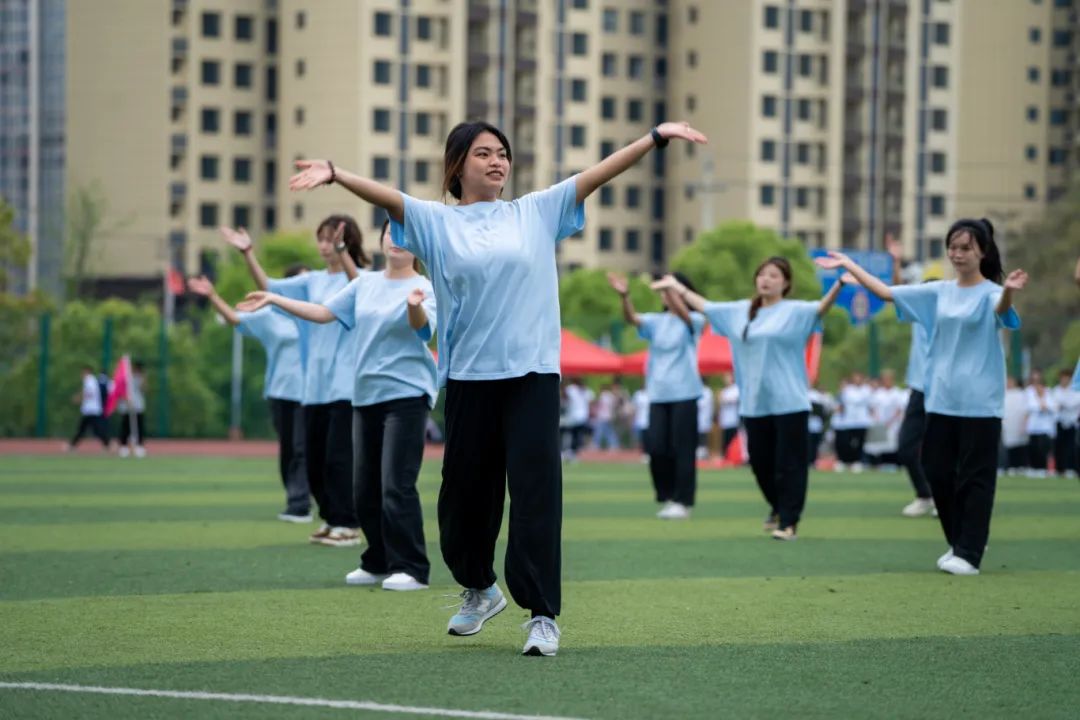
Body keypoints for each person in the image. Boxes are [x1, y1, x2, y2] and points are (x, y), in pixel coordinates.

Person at [289, 118, 709, 656]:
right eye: (484, 153)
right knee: (462, 501)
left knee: (536, 496)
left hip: (532, 374)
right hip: (467, 379)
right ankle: (480, 589)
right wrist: (336, 175)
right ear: (458, 165)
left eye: (503, 154)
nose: (497, 162)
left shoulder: (535, 211)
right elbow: (391, 199)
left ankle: (542, 615)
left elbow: (597, 174)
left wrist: (654, 138)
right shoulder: (436, 222)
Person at [816, 217, 1026, 575]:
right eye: (953, 247)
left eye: (966, 248)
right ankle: (959, 542)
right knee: (936, 469)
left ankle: (970, 553)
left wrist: (1007, 290)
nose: (958, 254)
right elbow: (886, 293)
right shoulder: (938, 292)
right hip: (941, 399)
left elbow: (1001, 311)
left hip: (980, 402)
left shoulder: (991, 293)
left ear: (983, 252)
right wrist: (850, 264)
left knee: (976, 477)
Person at [239, 220, 437, 592]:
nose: (397, 241)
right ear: (380, 240)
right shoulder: (365, 284)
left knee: (397, 483)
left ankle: (411, 566)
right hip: (365, 395)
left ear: (420, 247)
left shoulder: (425, 287)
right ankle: (377, 560)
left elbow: (424, 330)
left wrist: (414, 308)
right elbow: (323, 313)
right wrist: (274, 298)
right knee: (364, 487)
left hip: (408, 395)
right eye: (391, 233)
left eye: (407, 236)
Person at [652, 257, 844, 540]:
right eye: (762, 275)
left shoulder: (794, 311)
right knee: (760, 464)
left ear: (786, 283)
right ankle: (777, 507)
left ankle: (789, 522)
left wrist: (839, 283)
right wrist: (676, 288)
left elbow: (821, 308)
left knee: (789, 465)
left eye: (774, 276)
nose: (766, 280)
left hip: (790, 401)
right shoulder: (740, 312)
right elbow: (705, 306)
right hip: (754, 403)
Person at [223, 220, 367, 546]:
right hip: (312, 385)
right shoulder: (311, 281)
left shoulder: (363, 279)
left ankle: (348, 523)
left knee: (338, 458)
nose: (324, 246)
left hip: (346, 384)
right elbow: (270, 287)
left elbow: (360, 288)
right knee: (314, 461)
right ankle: (332, 518)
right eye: (322, 240)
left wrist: (346, 256)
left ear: (348, 242)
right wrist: (248, 254)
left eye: (332, 240)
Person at [187, 271, 311, 522]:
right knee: (289, 449)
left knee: (303, 448)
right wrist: (212, 295)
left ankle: (300, 504)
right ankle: (295, 494)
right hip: (279, 391)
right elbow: (234, 319)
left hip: (313, 393)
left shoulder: (317, 315)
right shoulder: (270, 317)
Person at [609, 270, 704, 521]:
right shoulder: (656, 322)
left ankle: (683, 501)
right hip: (658, 394)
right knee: (657, 447)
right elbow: (633, 319)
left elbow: (683, 314)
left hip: (685, 393)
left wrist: (673, 290)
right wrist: (625, 297)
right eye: (662, 291)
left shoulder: (694, 319)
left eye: (668, 289)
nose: (664, 295)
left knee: (683, 449)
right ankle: (668, 496)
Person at [65, 365, 110, 452]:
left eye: (83, 372)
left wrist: (79, 398)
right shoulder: (92, 380)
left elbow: (89, 393)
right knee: (92, 429)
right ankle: (106, 444)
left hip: (91, 410)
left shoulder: (89, 380)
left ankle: (73, 445)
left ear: (87, 371)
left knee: (85, 429)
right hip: (92, 410)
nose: (81, 374)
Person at [1024, 370, 1057, 478]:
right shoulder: (1029, 392)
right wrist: (1040, 406)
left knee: (1044, 448)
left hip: (1045, 427)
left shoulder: (1048, 392)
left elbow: (1053, 407)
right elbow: (1029, 406)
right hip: (1033, 426)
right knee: (1033, 448)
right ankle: (1034, 468)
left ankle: (1043, 468)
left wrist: (1044, 403)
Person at [1050, 369, 1079, 478]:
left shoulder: (1075, 389)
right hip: (1060, 422)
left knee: (1072, 447)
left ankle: (1072, 468)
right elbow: (1054, 404)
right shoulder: (1056, 390)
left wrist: (1064, 404)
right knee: (1059, 447)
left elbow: (1074, 403)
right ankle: (1060, 470)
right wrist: (1064, 404)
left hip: (1072, 422)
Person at [116, 361, 148, 459]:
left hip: (138, 406)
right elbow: (120, 391)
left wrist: (144, 378)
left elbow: (144, 389)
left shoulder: (141, 378)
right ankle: (124, 447)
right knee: (125, 428)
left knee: (139, 427)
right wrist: (126, 400)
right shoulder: (125, 378)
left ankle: (139, 446)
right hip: (126, 407)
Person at [1001, 377, 1029, 475]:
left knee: (1020, 445)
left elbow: (1025, 409)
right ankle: (1009, 466)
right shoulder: (1003, 393)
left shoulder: (1021, 394)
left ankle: (1020, 466)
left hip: (1018, 422)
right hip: (1007, 423)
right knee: (1007, 446)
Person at [562, 377, 593, 460]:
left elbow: (590, 404)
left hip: (579, 417)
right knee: (573, 435)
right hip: (575, 417)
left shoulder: (584, 391)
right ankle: (570, 452)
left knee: (575, 435)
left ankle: (571, 452)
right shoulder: (572, 389)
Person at [717, 372, 740, 456]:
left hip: (733, 420)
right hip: (725, 420)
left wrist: (724, 400)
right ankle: (725, 455)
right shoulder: (724, 391)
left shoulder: (736, 389)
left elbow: (732, 400)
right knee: (725, 439)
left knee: (732, 438)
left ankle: (733, 455)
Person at [592, 384, 621, 451]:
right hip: (608, 416)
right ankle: (614, 444)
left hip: (602, 416)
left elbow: (599, 405)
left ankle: (596, 444)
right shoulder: (610, 396)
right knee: (609, 431)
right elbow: (615, 404)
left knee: (599, 431)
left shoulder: (603, 395)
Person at [696, 379, 715, 460]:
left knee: (703, 436)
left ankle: (703, 453)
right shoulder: (700, 390)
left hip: (704, 418)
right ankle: (700, 452)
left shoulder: (707, 391)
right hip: (700, 418)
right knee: (699, 436)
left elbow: (701, 404)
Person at [631, 386, 650, 462]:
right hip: (640, 420)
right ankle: (644, 453)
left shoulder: (651, 393)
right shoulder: (637, 394)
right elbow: (634, 407)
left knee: (649, 438)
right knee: (641, 438)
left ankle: (648, 453)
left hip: (649, 420)